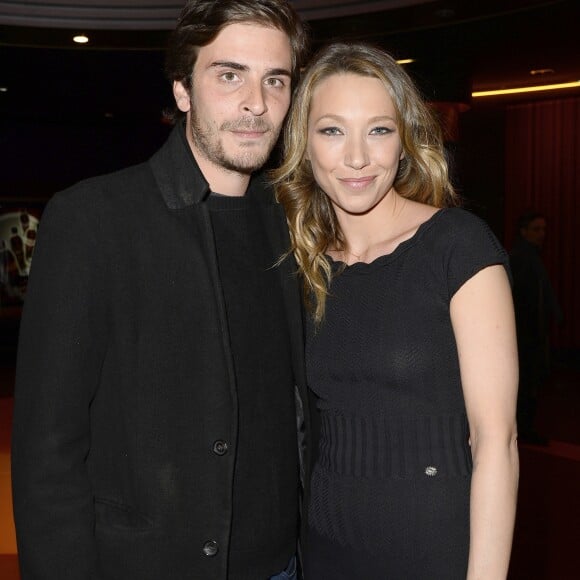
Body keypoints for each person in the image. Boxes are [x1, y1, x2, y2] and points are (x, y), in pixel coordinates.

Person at [11, 2, 310, 579]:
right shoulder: (93, 220)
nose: (256, 103)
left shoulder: (293, 221)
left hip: (281, 567)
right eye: (229, 75)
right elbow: (47, 453)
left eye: (275, 80)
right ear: (182, 91)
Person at [273, 43, 519, 579]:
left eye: (379, 130)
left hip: (433, 545)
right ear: (303, 144)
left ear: (405, 142)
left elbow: (496, 440)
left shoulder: (455, 246)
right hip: (325, 547)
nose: (357, 157)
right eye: (332, 130)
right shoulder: (301, 262)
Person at [510, 211, 562, 444]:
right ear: (524, 231)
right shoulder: (521, 258)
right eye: (536, 229)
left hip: (531, 334)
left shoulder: (531, 256)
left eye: (543, 229)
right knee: (526, 385)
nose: (542, 234)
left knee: (531, 384)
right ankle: (524, 430)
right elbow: (520, 299)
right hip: (525, 336)